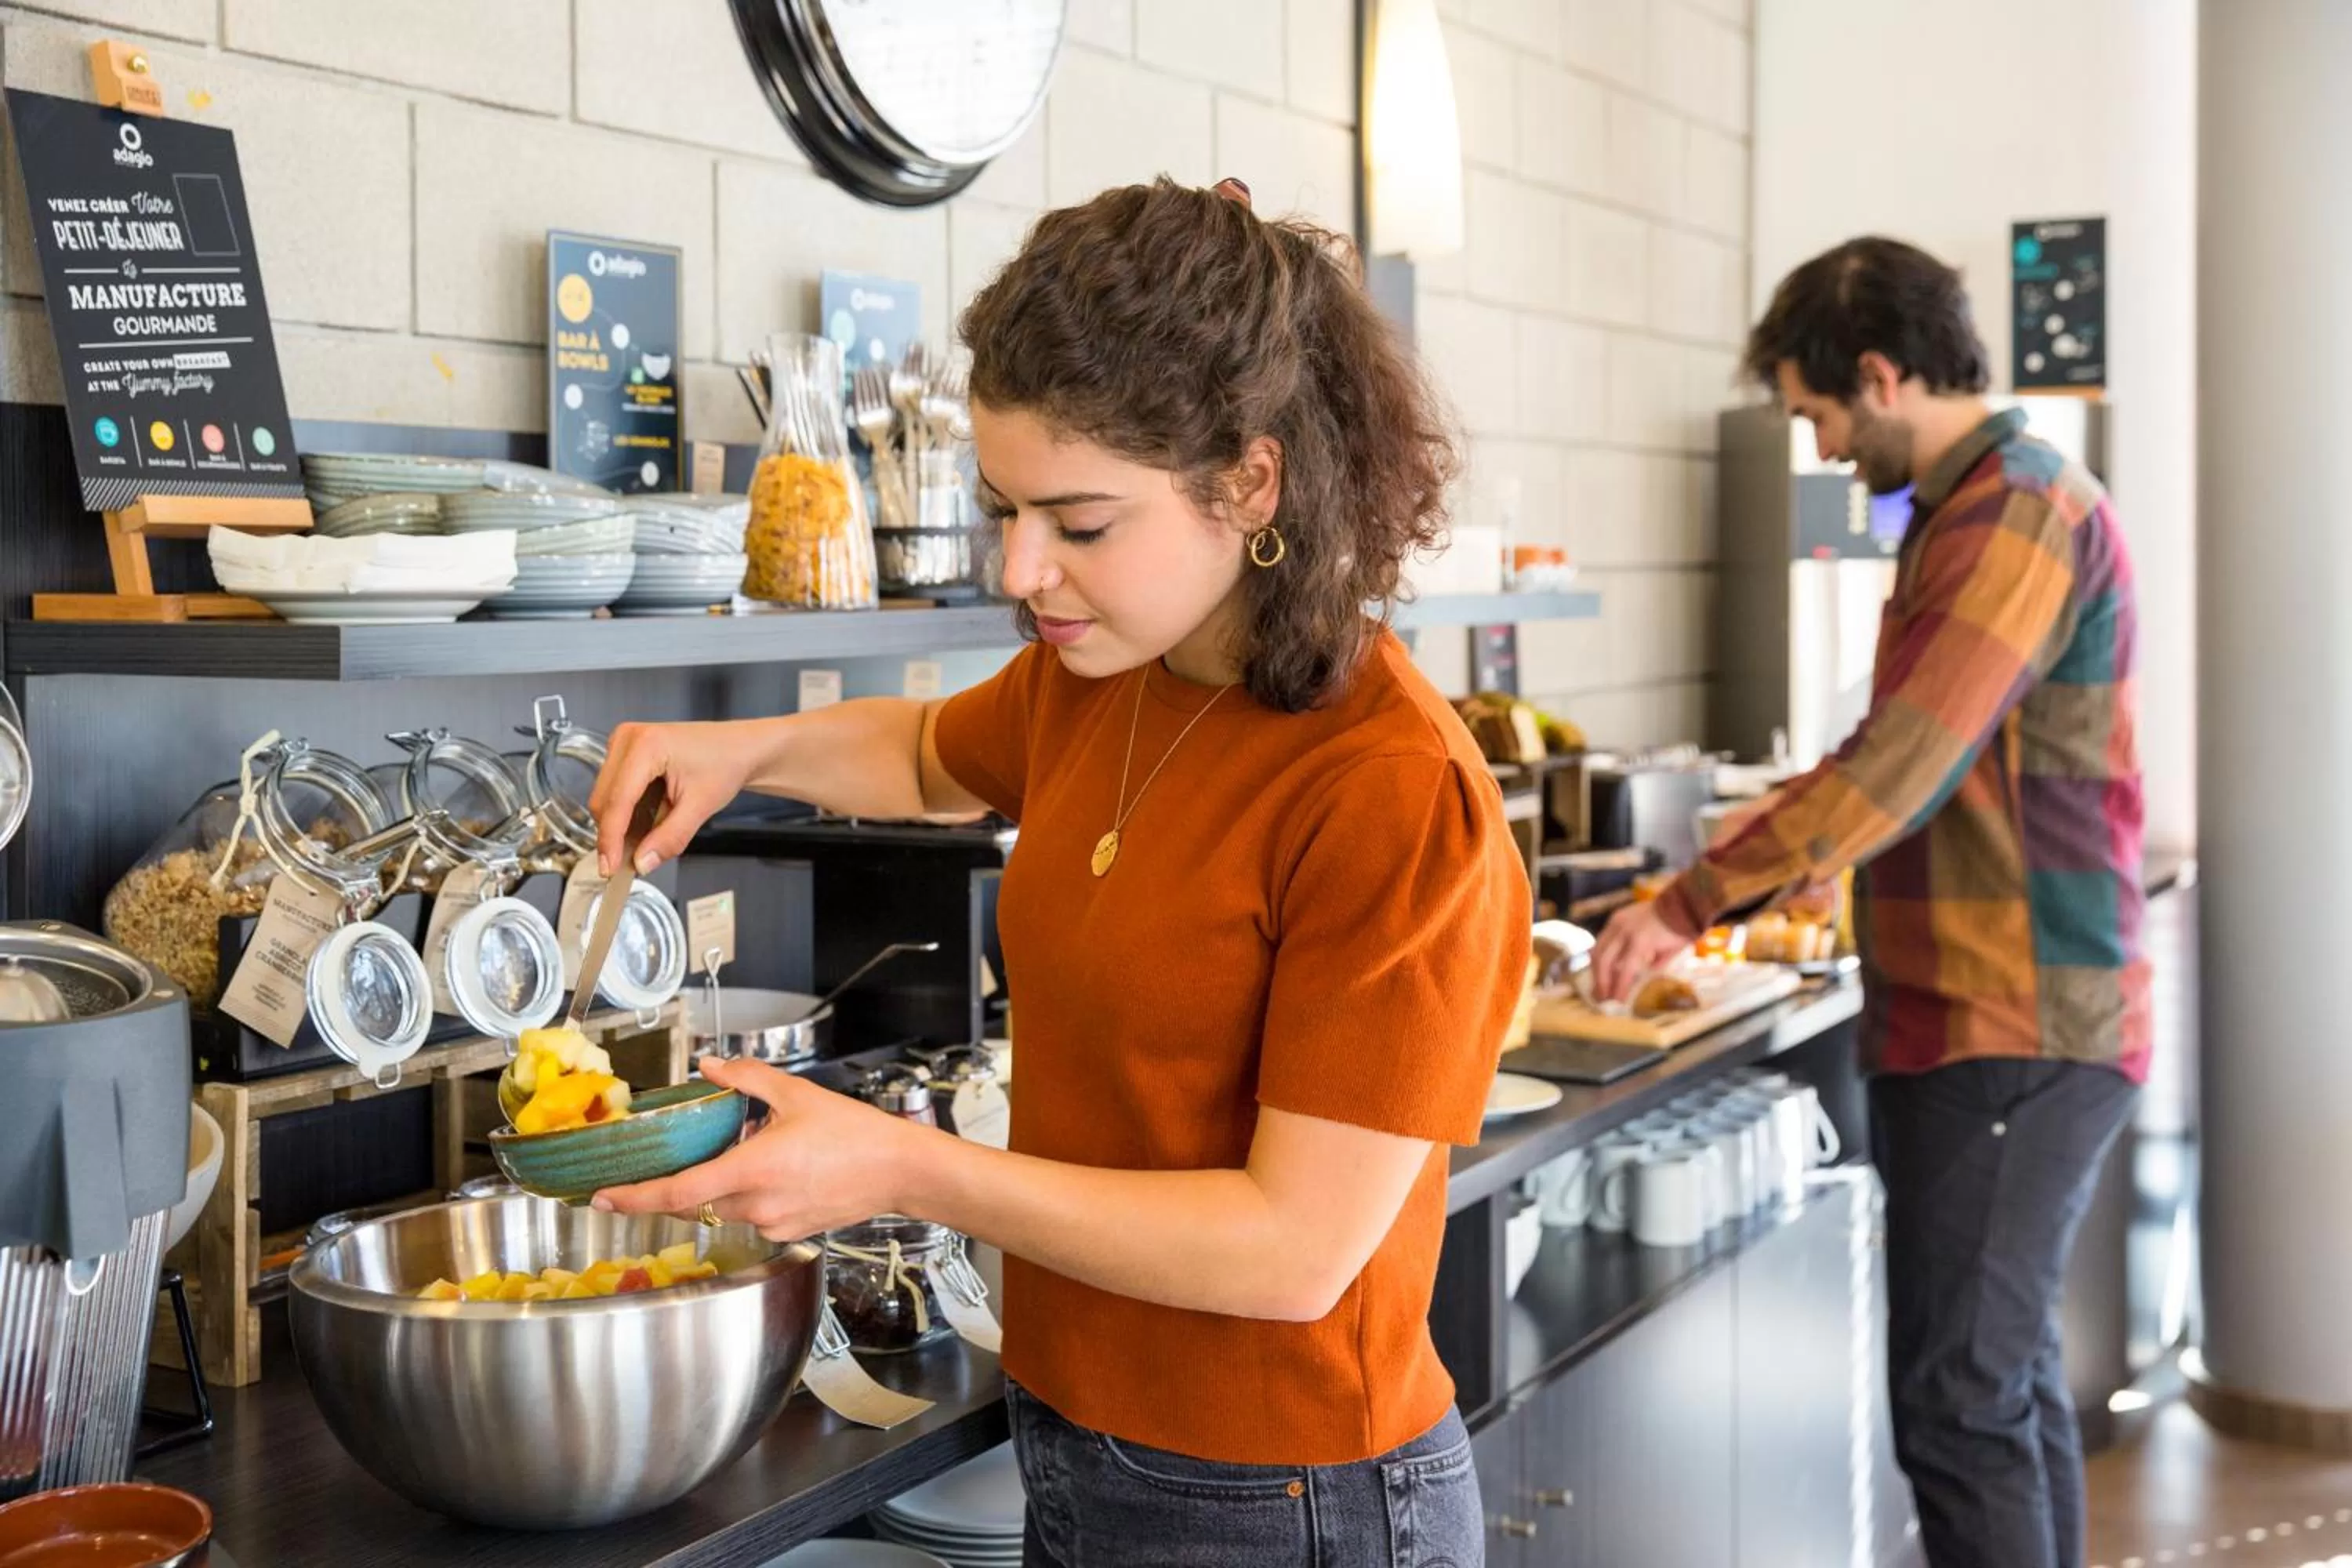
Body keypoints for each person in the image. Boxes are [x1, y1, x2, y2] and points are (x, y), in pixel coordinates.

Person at [588, 177, 1530, 1566]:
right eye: (1004, 507)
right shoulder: (1111, 673)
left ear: (1250, 483)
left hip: (1288, 1506)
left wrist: (907, 1168)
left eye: (1081, 524)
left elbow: (1290, 1252)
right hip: (1080, 1444)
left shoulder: (1390, 790)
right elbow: (921, 756)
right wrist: (742, 749)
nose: (1026, 568)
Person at [1593, 236, 2146, 1568]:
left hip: (2013, 1020)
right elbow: (1929, 761)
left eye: (1819, 413)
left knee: (1959, 1408)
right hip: (1998, 1016)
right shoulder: (1978, 508)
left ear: (1884, 376)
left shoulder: (2014, 508)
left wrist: (1687, 899)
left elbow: (1900, 760)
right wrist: (1812, 847)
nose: (1823, 448)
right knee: (2001, 1395)